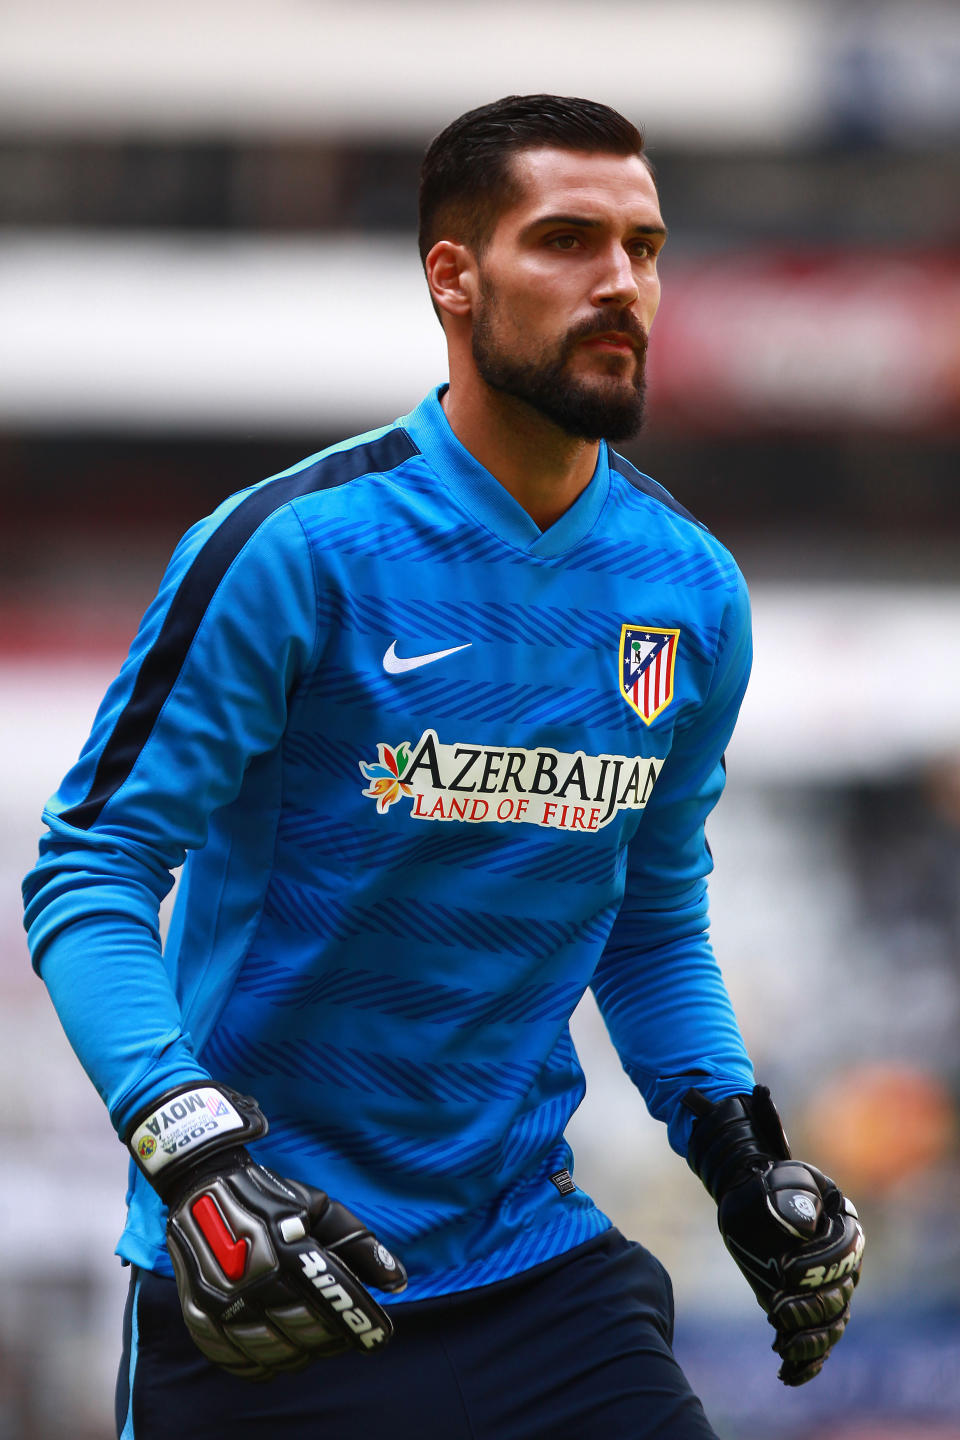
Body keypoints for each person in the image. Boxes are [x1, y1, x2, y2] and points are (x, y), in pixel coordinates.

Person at [22, 95, 863, 1440]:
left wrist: (740, 1157)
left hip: (536, 1278)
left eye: (644, 247)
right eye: (569, 241)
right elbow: (91, 871)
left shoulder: (691, 591)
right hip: (269, 1283)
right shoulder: (296, 552)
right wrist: (192, 1157)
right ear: (453, 279)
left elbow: (647, 920)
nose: (621, 284)